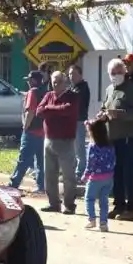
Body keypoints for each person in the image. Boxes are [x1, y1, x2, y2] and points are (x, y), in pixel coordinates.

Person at [100, 58, 133, 221]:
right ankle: (118, 205)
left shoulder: (131, 89)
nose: (115, 76)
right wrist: (103, 115)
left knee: (129, 173)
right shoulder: (109, 89)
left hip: (128, 138)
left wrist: (122, 114)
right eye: (112, 73)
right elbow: (104, 107)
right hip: (113, 138)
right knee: (116, 173)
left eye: (119, 72)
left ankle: (131, 208)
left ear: (124, 72)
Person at [37, 71, 79, 214]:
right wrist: (54, 110)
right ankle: (54, 203)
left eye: (58, 82)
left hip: (65, 141)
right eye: (53, 82)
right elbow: (39, 111)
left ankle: (69, 205)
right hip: (48, 140)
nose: (55, 85)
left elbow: (68, 109)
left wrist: (49, 109)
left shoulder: (72, 96)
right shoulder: (48, 95)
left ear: (64, 82)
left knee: (68, 175)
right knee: (49, 175)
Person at [9, 70, 48, 193]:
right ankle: (41, 186)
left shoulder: (32, 92)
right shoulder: (46, 92)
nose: (28, 83)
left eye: (29, 80)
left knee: (23, 159)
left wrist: (25, 127)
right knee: (41, 161)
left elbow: (30, 111)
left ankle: (14, 183)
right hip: (43, 131)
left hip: (31, 131)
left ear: (33, 80)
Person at [81, 118, 115, 231]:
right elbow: (113, 160)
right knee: (104, 201)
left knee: (89, 199)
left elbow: (90, 164)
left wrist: (85, 176)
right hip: (108, 177)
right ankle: (103, 223)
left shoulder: (92, 146)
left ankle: (92, 219)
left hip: (95, 178)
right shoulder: (110, 145)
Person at [68, 64, 91, 181]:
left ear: (80, 75)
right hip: (71, 122)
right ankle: (74, 171)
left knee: (79, 148)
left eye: (74, 74)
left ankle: (81, 172)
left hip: (79, 121)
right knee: (72, 148)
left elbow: (75, 101)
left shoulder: (82, 87)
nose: (71, 76)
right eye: (70, 74)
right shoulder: (73, 87)